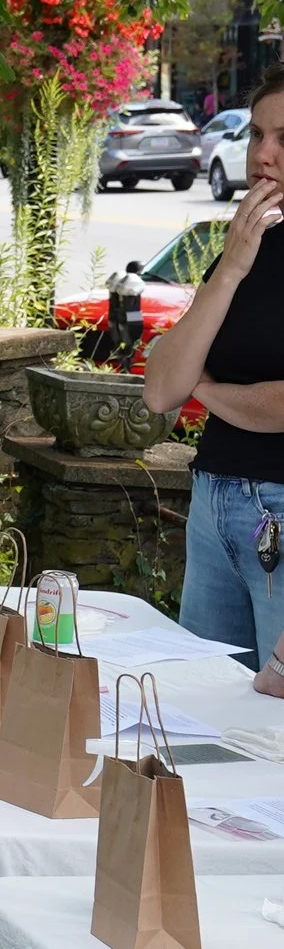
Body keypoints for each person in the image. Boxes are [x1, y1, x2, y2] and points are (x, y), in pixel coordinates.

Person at [143, 64, 284, 676]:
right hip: (213, 503)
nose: (263, 155)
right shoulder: (250, 246)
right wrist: (227, 270)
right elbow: (159, 390)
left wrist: (202, 386)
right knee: (203, 703)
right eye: (256, 136)